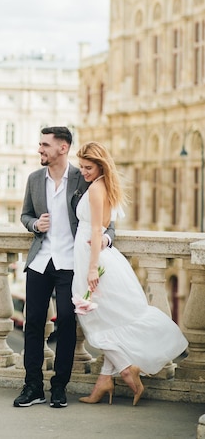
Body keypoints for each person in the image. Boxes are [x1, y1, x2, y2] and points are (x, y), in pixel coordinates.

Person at [72, 141, 188, 406]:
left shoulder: (96, 189)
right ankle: (106, 380)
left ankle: (125, 367)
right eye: (81, 166)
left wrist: (91, 269)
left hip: (93, 259)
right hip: (93, 256)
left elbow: (96, 231)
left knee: (96, 321)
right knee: (105, 319)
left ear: (101, 165)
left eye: (88, 167)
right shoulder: (102, 186)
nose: (84, 171)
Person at [13, 127, 115, 408]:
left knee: (68, 324)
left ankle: (59, 386)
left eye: (45, 145)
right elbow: (25, 214)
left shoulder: (82, 178)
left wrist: (105, 239)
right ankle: (32, 386)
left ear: (63, 147)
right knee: (33, 323)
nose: (39, 149)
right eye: (39, 144)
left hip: (71, 264)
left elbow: (108, 220)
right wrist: (35, 224)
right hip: (40, 261)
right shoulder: (34, 179)